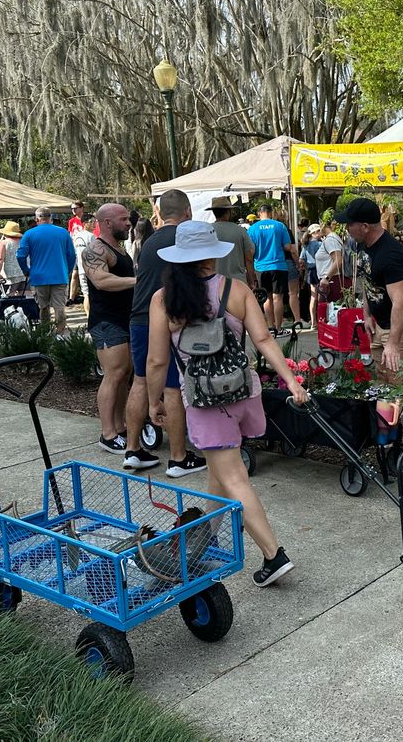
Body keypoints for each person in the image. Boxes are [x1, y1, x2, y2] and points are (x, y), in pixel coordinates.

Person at [147, 220, 307, 586]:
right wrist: (291, 380)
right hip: (242, 393)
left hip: (205, 402)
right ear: (212, 256)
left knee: (233, 476)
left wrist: (154, 401)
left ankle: (273, 555)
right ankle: (206, 535)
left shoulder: (164, 300)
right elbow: (264, 338)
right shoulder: (235, 290)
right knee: (220, 473)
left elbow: (156, 362)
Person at [125, 190, 204, 478]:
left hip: (138, 318)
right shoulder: (185, 239)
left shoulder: (149, 241)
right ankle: (179, 457)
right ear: (187, 212)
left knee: (141, 381)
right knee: (172, 386)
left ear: (159, 213)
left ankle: (133, 449)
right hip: (167, 319)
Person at [337, 197, 403, 445]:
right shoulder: (364, 247)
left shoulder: (390, 253)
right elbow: (367, 283)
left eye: (350, 224)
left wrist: (393, 343)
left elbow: (400, 302)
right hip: (379, 324)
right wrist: (366, 314)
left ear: (365, 226)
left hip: (401, 328)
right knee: (384, 382)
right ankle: (389, 438)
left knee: (402, 385)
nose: (346, 229)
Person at [82, 203, 136, 455]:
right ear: (106, 222)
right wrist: (139, 280)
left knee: (124, 375)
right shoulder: (95, 249)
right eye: (123, 219)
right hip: (106, 322)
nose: (128, 223)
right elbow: (101, 281)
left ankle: (121, 426)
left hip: (125, 319)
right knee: (113, 374)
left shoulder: (119, 248)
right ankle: (107, 434)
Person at [17, 207, 76, 336]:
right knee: (59, 307)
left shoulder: (29, 234)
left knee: (43, 308)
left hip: (38, 277)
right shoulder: (63, 233)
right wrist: (67, 271)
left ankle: (45, 334)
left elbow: (20, 256)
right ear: (51, 218)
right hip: (60, 276)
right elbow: (72, 255)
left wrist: (26, 271)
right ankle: (60, 335)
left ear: (37, 219)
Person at [246, 202, 296, 334]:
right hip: (278, 265)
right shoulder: (280, 226)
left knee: (266, 298)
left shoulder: (252, 229)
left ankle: (271, 326)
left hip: (260, 267)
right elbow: (287, 247)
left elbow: (250, 251)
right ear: (271, 212)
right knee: (278, 298)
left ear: (259, 214)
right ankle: (279, 328)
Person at [207, 197, 256, 287]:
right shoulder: (240, 231)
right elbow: (249, 258)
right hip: (238, 282)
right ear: (228, 212)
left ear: (213, 212)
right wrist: (251, 280)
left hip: (214, 283)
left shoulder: (207, 231)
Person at [316, 220, 345, 304]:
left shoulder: (331, 239)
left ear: (323, 224)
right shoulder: (331, 238)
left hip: (331, 281)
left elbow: (338, 260)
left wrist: (326, 278)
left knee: (329, 312)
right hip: (329, 280)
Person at [71, 216, 96, 315]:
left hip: (81, 268)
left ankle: (89, 316)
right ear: (85, 223)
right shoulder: (91, 236)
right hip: (91, 269)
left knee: (86, 294)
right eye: (92, 222)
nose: (94, 224)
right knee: (91, 294)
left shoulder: (76, 236)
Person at [0, 221, 27, 294]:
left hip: (9, 275)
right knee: (23, 295)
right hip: (24, 273)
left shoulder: (4, 243)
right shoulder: (24, 242)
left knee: (10, 295)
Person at [67, 201, 87, 305]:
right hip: (76, 249)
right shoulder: (71, 221)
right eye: (72, 208)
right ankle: (71, 297)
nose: (73, 210)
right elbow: (71, 235)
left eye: (75, 208)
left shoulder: (87, 220)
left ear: (81, 208)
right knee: (74, 274)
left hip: (86, 249)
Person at [301, 223, 321, 324]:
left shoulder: (306, 245)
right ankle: (321, 319)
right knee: (321, 296)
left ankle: (313, 321)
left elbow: (301, 259)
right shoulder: (319, 244)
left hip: (310, 271)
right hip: (319, 270)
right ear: (315, 233)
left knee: (313, 297)